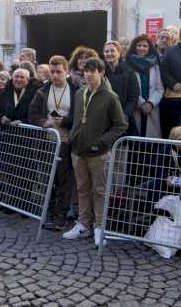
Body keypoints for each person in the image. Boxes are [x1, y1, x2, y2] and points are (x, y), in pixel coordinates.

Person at [62, 57, 127, 246]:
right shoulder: (80, 92)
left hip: (99, 153)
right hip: (79, 151)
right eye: (86, 71)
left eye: (92, 71)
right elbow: (77, 119)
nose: (88, 74)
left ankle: (99, 226)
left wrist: (102, 142)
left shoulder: (110, 97)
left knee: (99, 190)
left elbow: (121, 125)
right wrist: (74, 137)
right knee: (82, 189)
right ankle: (84, 224)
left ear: (102, 73)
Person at [29, 55, 79, 228]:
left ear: (66, 71)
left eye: (59, 72)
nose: (55, 75)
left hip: (66, 141)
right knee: (47, 179)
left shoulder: (76, 91)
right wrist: (43, 122)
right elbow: (32, 114)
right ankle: (48, 213)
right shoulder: (42, 90)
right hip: (47, 141)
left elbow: (80, 117)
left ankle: (60, 216)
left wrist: (65, 121)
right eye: (52, 72)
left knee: (64, 180)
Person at [126, 34, 164, 138]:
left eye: (145, 46)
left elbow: (159, 88)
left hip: (152, 108)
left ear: (149, 48)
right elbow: (128, 88)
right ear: (134, 47)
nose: (141, 48)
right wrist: (142, 104)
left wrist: (150, 103)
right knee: (136, 144)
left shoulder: (155, 63)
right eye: (139, 45)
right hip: (136, 107)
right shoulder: (128, 63)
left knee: (150, 145)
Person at [103, 40, 140, 136]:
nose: (109, 54)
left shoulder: (129, 72)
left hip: (124, 120)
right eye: (106, 51)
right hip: (104, 121)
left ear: (119, 53)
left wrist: (125, 115)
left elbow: (134, 97)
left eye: (112, 51)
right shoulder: (100, 73)